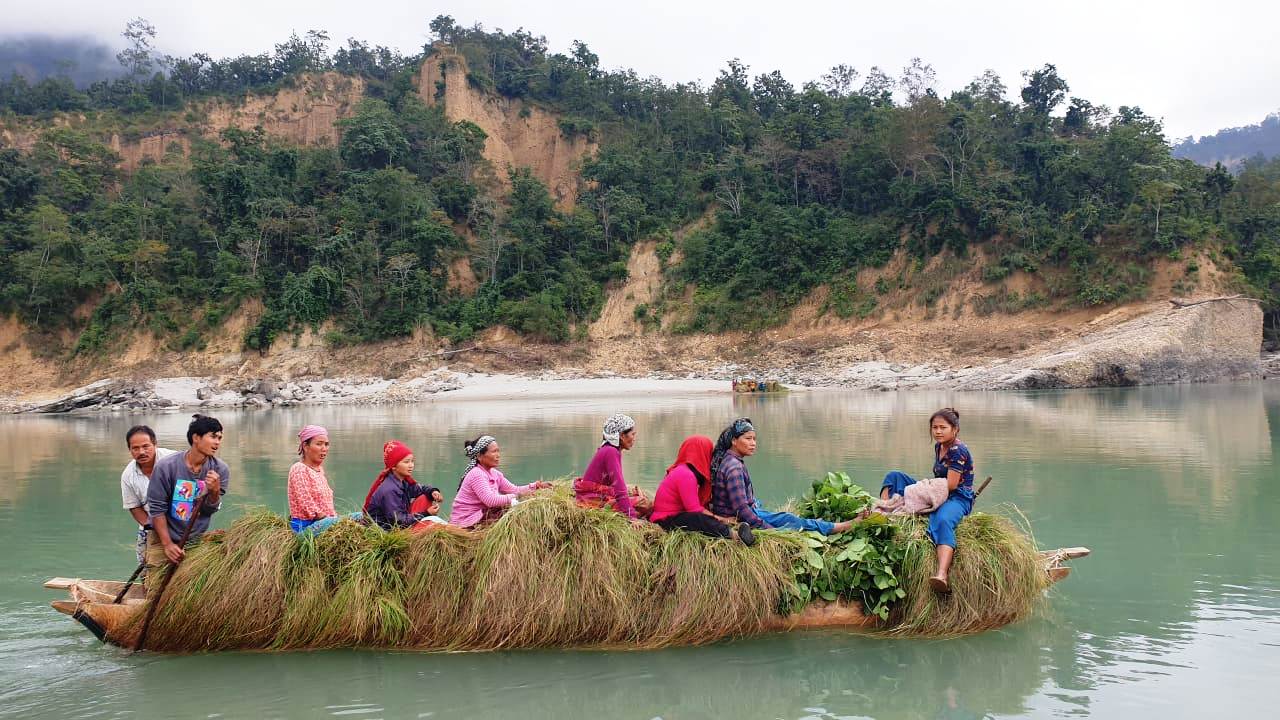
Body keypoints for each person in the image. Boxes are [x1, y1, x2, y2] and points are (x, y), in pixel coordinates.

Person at [880, 408, 975, 594]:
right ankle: (883, 509)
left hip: (957, 496)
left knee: (942, 520)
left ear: (955, 429)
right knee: (894, 477)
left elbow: (952, 485)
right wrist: (921, 488)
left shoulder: (958, 450)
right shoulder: (939, 446)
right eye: (934, 427)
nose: (938, 431)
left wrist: (919, 491)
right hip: (939, 490)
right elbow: (939, 480)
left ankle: (941, 574)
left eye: (943, 427)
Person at [709, 417, 854, 536]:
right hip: (739, 518)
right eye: (748, 439)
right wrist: (768, 528)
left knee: (784, 517)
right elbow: (742, 509)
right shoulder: (734, 467)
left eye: (754, 439)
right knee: (789, 521)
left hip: (745, 513)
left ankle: (820, 525)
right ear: (734, 441)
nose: (753, 443)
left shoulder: (732, 461)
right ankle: (837, 527)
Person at [144, 414, 230, 581]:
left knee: (188, 593)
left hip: (195, 541)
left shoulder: (220, 470)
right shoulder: (166, 467)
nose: (217, 442)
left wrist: (214, 492)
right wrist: (168, 545)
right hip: (162, 539)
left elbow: (208, 511)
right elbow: (156, 509)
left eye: (219, 437)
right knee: (156, 591)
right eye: (213, 436)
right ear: (196, 438)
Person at [651, 435, 755, 545]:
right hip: (664, 520)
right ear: (701, 454)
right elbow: (694, 510)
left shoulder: (685, 472)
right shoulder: (686, 475)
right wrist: (722, 519)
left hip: (673, 516)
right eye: (709, 453)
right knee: (698, 519)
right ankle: (735, 535)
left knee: (699, 518)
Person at [452, 435, 550, 529]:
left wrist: (536, 486)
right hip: (465, 521)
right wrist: (517, 497)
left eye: (498, 451)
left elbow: (514, 489)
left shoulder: (494, 474)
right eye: (494, 452)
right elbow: (490, 500)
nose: (498, 455)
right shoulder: (476, 474)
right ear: (479, 456)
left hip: (479, 515)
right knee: (507, 512)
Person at [120, 425, 178, 568]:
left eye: (146, 446)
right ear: (130, 450)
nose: (141, 452)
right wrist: (154, 527)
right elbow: (134, 507)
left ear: (155, 444)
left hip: (181, 520)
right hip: (151, 524)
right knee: (146, 566)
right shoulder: (128, 475)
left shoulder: (174, 460)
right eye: (135, 448)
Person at [287, 425, 361, 534]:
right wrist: (335, 522)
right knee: (350, 522)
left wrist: (335, 518)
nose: (324, 448)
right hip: (306, 528)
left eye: (326, 444)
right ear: (305, 446)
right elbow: (307, 505)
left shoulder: (319, 470)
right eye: (319, 444)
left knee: (362, 516)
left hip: (325, 522)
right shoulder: (299, 469)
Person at [573, 414, 649, 518]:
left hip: (594, 494)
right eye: (633, 434)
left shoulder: (610, 449)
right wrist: (631, 516)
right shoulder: (611, 452)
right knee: (644, 503)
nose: (634, 438)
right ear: (622, 436)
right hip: (592, 500)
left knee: (635, 491)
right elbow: (619, 487)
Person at [362, 441, 443, 531]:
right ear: (394, 466)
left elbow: (420, 489)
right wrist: (426, 513)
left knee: (426, 497)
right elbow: (398, 521)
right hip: (385, 529)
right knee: (428, 523)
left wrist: (433, 492)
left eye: (412, 461)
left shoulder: (404, 481)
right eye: (406, 462)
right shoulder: (390, 490)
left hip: (399, 521)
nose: (411, 465)